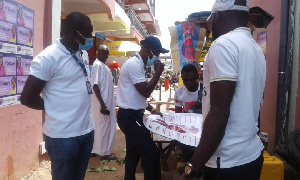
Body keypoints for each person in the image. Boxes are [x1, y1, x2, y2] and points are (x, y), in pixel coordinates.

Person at [179, 0, 266, 180]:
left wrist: (192, 167)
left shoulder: (223, 45)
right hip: (252, 154)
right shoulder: (255, 47)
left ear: (218, 16)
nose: (210, 28)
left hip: (227, 162)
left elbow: (219, 113)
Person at [20, 12, 95, 180]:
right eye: (87, 35)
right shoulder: (48, 57)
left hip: (86, 131)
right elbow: (26, 98)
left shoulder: (81, 53)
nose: (90, 39)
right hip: (62, 137)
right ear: (74, 34)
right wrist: (50, 107)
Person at [116, 36, 168, 180]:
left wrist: (151, 109)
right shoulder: (134, 64)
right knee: (151, 152)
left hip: (133, 115)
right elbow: (145, 91)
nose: (157, 58)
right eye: (157, 54)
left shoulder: (139, 65)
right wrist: (158, 72)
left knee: (133, 154)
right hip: (129, 117)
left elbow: (136, 96)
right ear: (149, 51)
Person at [91, 45, 117, 160]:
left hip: (105, 102)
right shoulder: (97, 65)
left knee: (99, 126)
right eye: (104, 53)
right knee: (104, 127)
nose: (106, 56)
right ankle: (104, 153)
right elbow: (95, 85)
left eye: (107, 54)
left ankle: (96, 150)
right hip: (102, 103)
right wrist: (102, 104)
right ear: (98, 53)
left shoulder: (103, 65)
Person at [174, 64, 201, 168]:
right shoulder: (179, 92)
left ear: (198, 77)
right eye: (185, 80)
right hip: (188, 129)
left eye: (192, 79)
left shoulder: (205, 90)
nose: (189, 83)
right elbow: (177, 116)